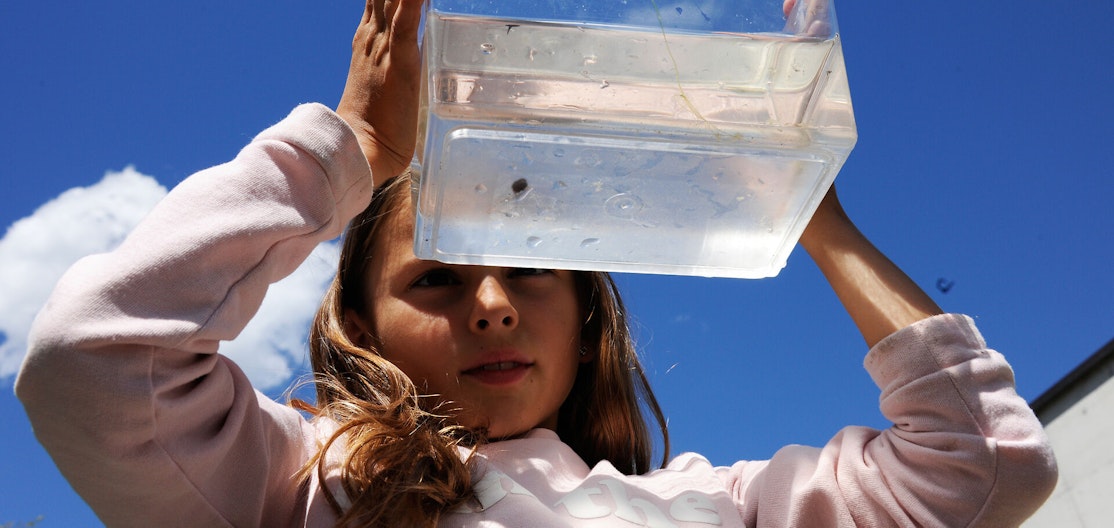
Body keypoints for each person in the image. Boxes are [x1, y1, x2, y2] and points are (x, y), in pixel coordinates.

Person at [16, 0, 1057, 526]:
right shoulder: (292, 478)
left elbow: (988, 468)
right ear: (357, 324)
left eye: (533, 272)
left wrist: (811, 213)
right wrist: (349, 153)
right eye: (436, 277)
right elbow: (90, 361)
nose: (495, 305)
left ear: (587, 313)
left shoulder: (708, 502)